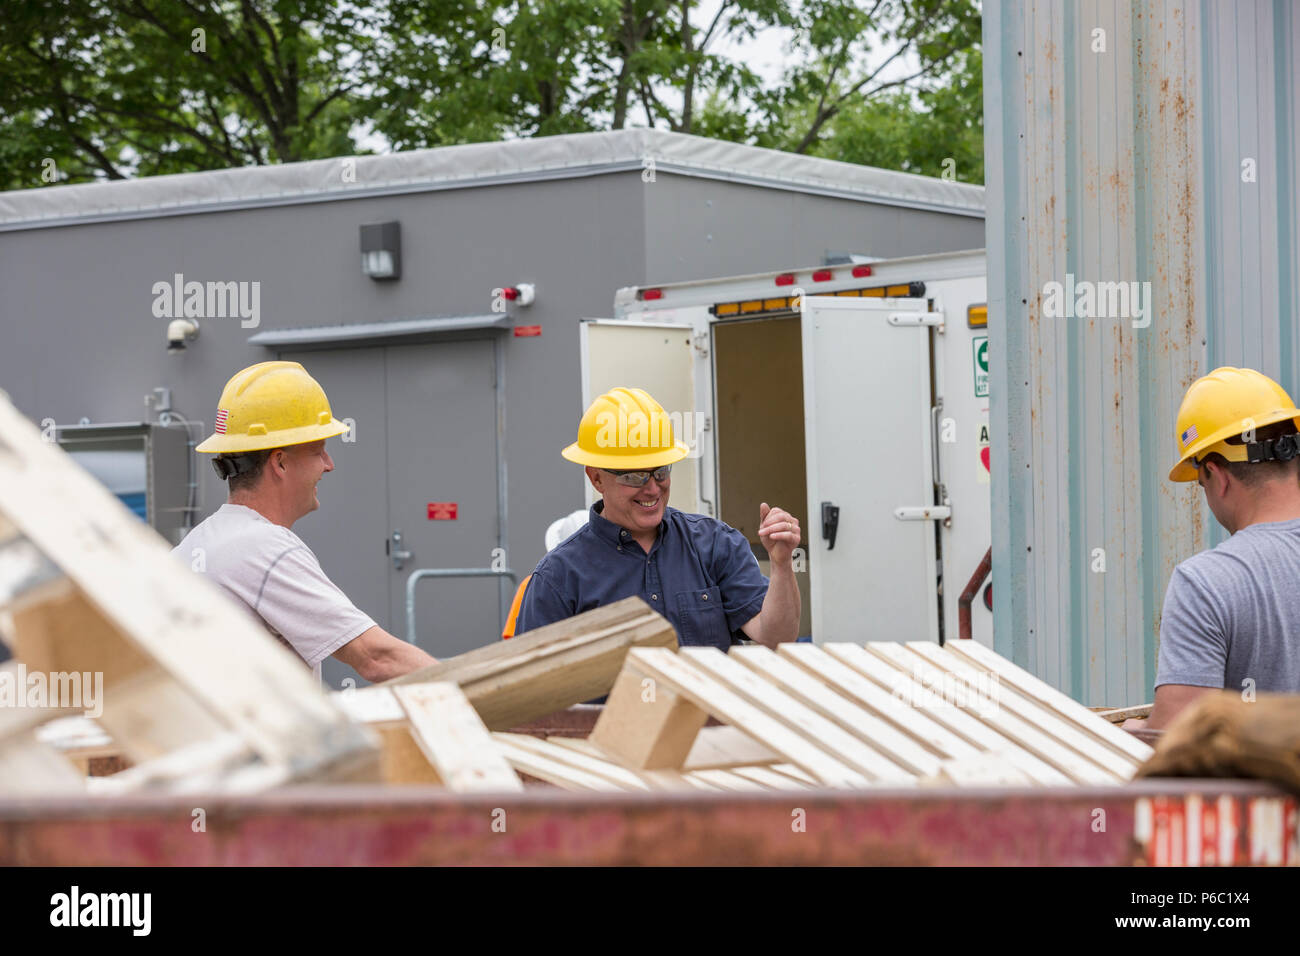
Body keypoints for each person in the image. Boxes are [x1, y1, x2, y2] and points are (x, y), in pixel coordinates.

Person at [174, 361, 436, 682]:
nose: (329, 465)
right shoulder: (264, 548)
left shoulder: (194, 545)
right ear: (280, 463)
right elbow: (376, 657)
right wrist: (485, 693)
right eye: (319, 451)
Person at [515, 386, 801, 649]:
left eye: (660, 472)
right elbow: (533, 687)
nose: (652, 488)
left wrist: (781, 564)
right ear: (597, 478)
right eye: (635, 476)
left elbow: (776, 637)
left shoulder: (714, 545)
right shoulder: (558, 577)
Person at [1126, 367, 1300, 731]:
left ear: (1217, 477)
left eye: (1200, 484)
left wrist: (1135, 733)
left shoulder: (1206, 583)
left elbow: (1176, 739)